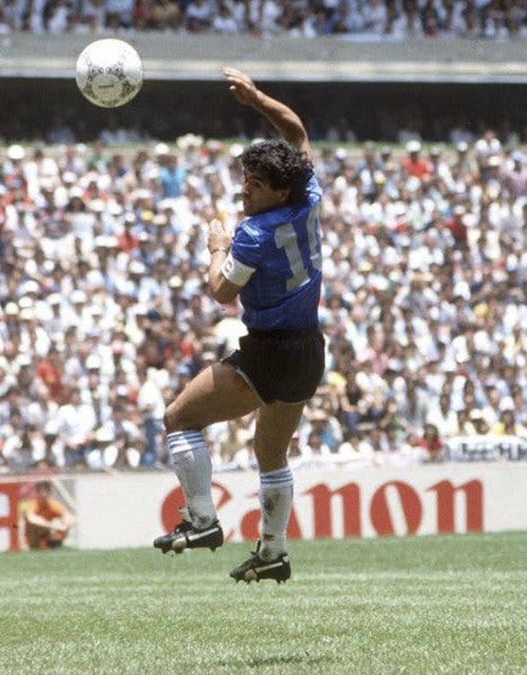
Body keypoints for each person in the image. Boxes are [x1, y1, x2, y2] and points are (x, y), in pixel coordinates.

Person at [152, 67, 325, 585]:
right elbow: (295, 132)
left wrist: (215, 248)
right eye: (243, 180)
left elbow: (223, 293)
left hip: (270, 351)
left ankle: (203, 521)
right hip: (308, 349)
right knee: (270, 452)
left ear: (278, 191)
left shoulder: (253, 234)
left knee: (180, 417)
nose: (243, 191)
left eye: (254, 184)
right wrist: (256, 100)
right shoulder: (307, 194)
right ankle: (273, 551)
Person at [18, 480, 75, 550]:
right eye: (41, 490)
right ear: (37, 492)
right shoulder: (32, 504)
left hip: (47, 537)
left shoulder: (53, 504)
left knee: (63, 527)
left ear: (50, 492)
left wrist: (64, 524)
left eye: (46, 490)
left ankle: (55, 544)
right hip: (31, 541)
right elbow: (32, 518)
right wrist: (51, 525)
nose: (43, 493)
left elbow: (70, 517)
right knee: (41, 527)